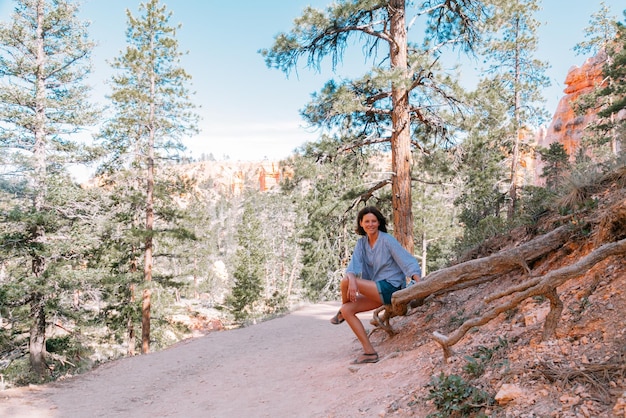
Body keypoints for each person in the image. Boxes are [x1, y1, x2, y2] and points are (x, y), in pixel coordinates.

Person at [330, 206, 421, 364]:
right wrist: (352, 280)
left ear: (379, 223)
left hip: (391, 287)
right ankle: (369, 353)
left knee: (346, 281)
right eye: (367, 221)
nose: (370, 224)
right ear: (361, 223)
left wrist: (419, 283)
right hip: (376, 290)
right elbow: (352, 268)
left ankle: (340, 312)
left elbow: (407, 261)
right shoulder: (361, 244)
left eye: (373, 221)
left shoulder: (387, 240)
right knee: (347, 309)